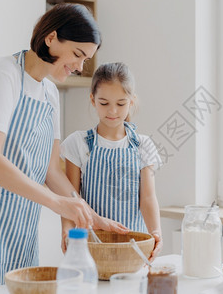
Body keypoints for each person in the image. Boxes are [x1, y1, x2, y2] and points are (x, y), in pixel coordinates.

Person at [0, 3, 128, 294]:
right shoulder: (1, 75)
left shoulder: (49, 93)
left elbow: (52, 171)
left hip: (18, 229)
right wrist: (57, 204)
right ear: (51, 38)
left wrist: (91, 216)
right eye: (78, 54)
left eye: (86, 59)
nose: (80, 66)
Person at [61, 62, 163, 261]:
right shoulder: (78, 143)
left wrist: (156, 232)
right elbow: (71, 198)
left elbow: (148, 198)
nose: (113, 111)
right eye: (104, 103)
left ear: (131, 101)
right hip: (91, 248)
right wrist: (66, 230)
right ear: (93, 100)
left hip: (134, 248)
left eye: (121, 103)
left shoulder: (143, 145)